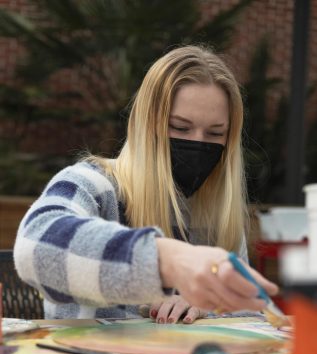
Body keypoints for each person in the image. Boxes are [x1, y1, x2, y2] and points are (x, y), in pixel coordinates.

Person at [14, 44, 278, 323]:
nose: (198, 143)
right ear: (145, 124)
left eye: (215, 133)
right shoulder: (94, 184)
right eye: (180, 127)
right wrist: (167, 261)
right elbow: (35, 246)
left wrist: (205, 307)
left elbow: (252, 315)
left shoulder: (219, 212)